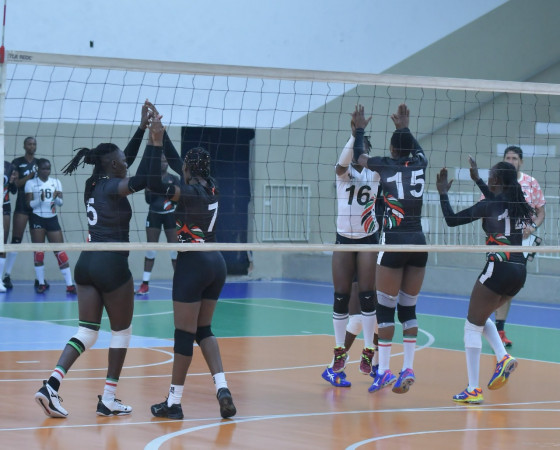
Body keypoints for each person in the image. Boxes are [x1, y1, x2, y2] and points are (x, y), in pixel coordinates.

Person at [34, 101, 157, 418]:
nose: (124, 162)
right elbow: (141, 178)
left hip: (85, 265)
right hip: (111, 264)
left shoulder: (94, 182)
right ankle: (108, 398)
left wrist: (141, 129)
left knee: (87, 332)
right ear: (112, 165)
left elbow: (124, 161)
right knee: (121, 332)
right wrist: (155, 143)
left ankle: (51, 385)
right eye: (120, 161)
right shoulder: (115, 187)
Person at [149, 144, 236, 420]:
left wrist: (152, 149)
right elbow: (179, 164)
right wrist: (162, 139)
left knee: (184, 335)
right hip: (215, 263)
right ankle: (222, 389)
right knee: (204, 329)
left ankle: (174, 402)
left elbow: (154, 184)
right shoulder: (212, 187)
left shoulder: (184, 193)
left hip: (192, 265)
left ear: (187, 170)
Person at [436, 159, 533, 403]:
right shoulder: (516, 203)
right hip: (519, 271)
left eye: (490, 175)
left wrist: (443, 194)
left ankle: (473, 388)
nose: (488, 178)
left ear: (497, 181)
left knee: (471, 324)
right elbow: (494, 200)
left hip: (498, 268)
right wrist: (477, 179)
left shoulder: (489, 204)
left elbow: (451, 219)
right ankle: (502, 357)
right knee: (481, 318)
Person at [352, 103, 428, 395]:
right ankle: (407, 367)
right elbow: (418, 150)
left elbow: (360, 158)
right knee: (409, 309)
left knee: (385, 310)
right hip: (419, 243)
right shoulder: (420, 163)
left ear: (393, 150)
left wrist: (359, 129)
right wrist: (405, 129)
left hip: (394, 242)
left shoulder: (385, 163)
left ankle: (383, 371)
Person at [322, 119, 381, 388]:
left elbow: (380, 165)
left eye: (364, 149)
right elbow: (341, 164)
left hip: (368, 239)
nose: (359, 153)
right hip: (344, 240)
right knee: (340, 297)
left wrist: (364, 145)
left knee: (368, 296)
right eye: (356, 149)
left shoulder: (375, 174)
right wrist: (354, 134)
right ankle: (338, 351)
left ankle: (369, 350)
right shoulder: (344, 174)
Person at [494, 146, 545, 347]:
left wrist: (531, 228)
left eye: (514, 158)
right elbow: (485, 207)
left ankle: (496, 326)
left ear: (521, 161)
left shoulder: (531, 183)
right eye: (507, 157)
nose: (511, 161)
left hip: (523, 242)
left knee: (512, 286)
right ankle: (497, 330)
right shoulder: (496, 181)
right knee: (498, 284)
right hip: (501, 241)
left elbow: (541, 212)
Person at [24, 158, 76, 294]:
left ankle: (70, 285)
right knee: (39, 253)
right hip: (37, 218)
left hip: (52, 219)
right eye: (43, 168)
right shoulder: (30, 183)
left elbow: (60, 203)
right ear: (38, 169)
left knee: (60, 252)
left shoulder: (56, 182)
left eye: (48, 168)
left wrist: (56, 197)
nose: (46, 171)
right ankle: (41, 283)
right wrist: (39, 200)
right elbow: (28, 205)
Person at [135, 153, 180, 295]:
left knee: (174, 251)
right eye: (160, 161)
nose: (163, 163)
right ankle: (145, 284)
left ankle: (179, 283)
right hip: (154, 214)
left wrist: (162, 192)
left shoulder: (175, 178)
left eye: (165, 161)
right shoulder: (150, 178)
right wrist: (165, 190)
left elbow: (177, 197)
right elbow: (149, 199)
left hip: (170, 215)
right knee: (151, 249)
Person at [3, 137, 39, 289]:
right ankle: (6, 276)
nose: (32, 146)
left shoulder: (40, 163)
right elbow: (16, 184)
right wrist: (31, 176)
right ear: (24, 146)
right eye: (29, 144)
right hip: (22, 205)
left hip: (38, 205)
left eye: (34, 144)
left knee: (38, 244)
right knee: (16, 241)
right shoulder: (16, 163)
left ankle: (40, 279)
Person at [0, 161, 17, 292]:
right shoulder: (7, 167)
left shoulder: (7, 165)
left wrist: (12, 181)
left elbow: (13, 190)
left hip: (4, 205)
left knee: (2, 243)